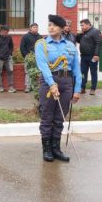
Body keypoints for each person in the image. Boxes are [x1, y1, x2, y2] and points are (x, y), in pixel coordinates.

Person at [35, 14, 81, 162]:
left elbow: (76, 68)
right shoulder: (41, 44)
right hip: (49, 81)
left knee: (60, 117)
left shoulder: (70, 45)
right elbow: (43, 66)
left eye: (54, 25)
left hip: (66, 82)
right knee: (47, 116)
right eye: (49, 25)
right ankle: (47, 149)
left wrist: (77, 89)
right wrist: (52, 84)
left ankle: (56, 148)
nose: (51, 27)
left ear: (62, 28)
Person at [76, 19, 102, 95]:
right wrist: (79, 34)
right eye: (81, 25)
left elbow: (98, 43)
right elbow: (78, 41)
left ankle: (93, 88)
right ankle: (82, 88)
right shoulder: (83, 32)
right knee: (83, 73)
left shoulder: (95, 31)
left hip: (92, 56)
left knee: (93, 72)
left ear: (88, 24)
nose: (81, 27)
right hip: (83, 56)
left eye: (83, 25)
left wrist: (96, 54)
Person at [19, 23, 43, 93]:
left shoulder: (40, 37)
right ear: (30, 28)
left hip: (38, 57)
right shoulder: (25, 37)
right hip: (29, 57)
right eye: (34, 27)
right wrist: (26, 56)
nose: (36, 28)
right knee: (28, 72)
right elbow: (22, 47)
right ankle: (28, 87)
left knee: (38, 72)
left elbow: (42, 47)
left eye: (37, 27)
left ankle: (36, 87)